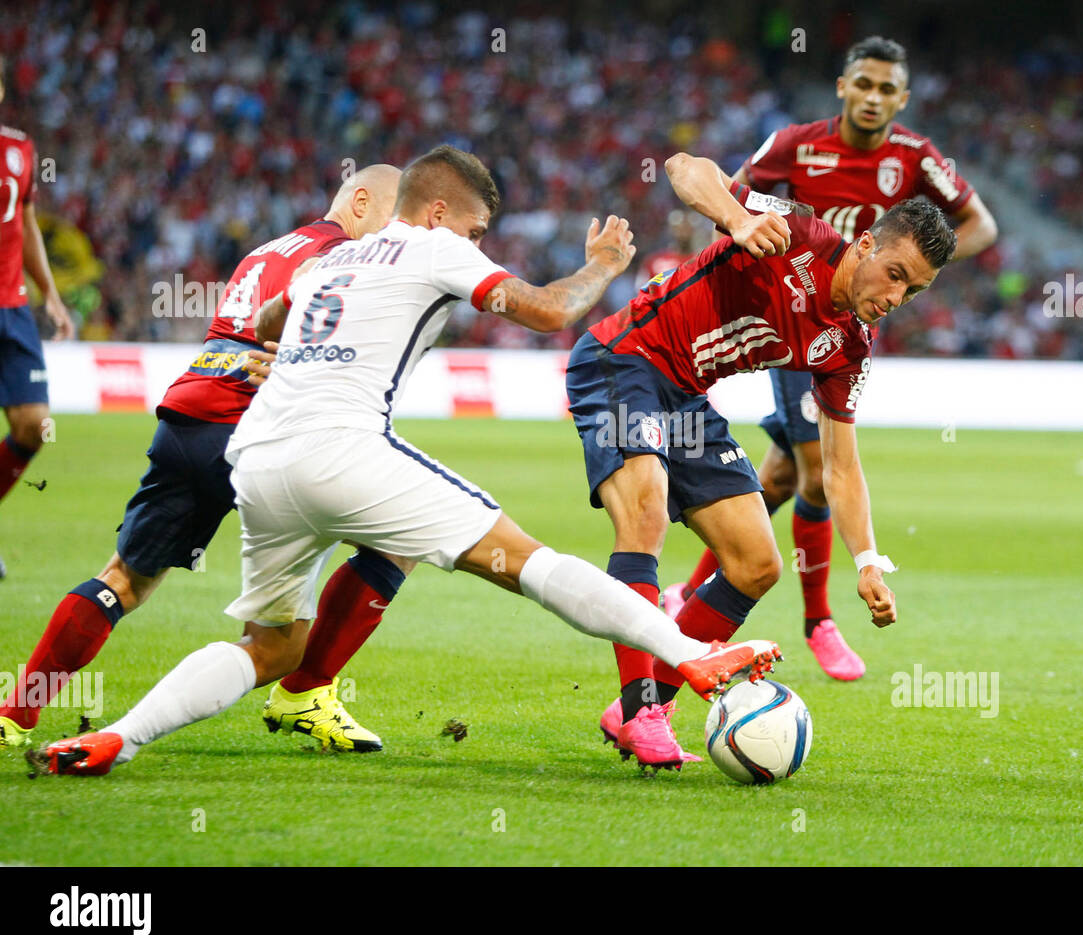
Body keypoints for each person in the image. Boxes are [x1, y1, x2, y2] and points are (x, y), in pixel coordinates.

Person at [33, 146, 779, 777]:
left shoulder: (335, 257)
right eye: (477, 230)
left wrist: (298, 352)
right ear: (438, 214)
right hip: (341, 449)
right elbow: (550, 309)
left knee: (270, 644)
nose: (479, 245)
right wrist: (604, 265)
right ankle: (690, 656)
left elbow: (267, 319)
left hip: (258, 458)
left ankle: (117, 738)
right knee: (526, 561)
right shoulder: (432, 245)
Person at [1, 165, 405, 754]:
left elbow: (239, 335)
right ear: (361, 201)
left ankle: (14, 715)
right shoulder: (344, 257)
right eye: (395, 219)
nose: (398, 238)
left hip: (189, 418)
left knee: (124, 580)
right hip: (255, 433)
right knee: (394, 539)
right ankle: (306, 693)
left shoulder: (270, 249)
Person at [570, 151, 955, 766]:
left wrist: (867, 562)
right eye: (895, 273)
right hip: (625, 357)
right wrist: (736, 217)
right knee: (644, 517)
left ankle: (639, 709)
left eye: (913, 289)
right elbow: (683, 166)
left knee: (756, 564)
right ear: (864, 246)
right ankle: (643, 711)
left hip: (685, 397)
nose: (897, 296)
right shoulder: (798, 231)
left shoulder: (850, 344)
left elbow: (841, 467)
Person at [666, 36, 998, 680]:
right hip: (799, 309)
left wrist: (908, 271)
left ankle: (693, 591)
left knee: (785, 478)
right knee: (819, 469)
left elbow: (980, 224)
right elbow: (727, 193)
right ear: (843, 87)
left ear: (903, 100)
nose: (874, 98)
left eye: (887, 90)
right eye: (864, 85)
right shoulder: (795, 144)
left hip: (853, 321)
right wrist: (741, 236)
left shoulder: (918, 159)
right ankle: (818, 620)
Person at [0, 54, 76, 579]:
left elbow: (25, 224)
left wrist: (49, 291)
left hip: (12, 308)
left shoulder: (19, 150)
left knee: (34, 425)